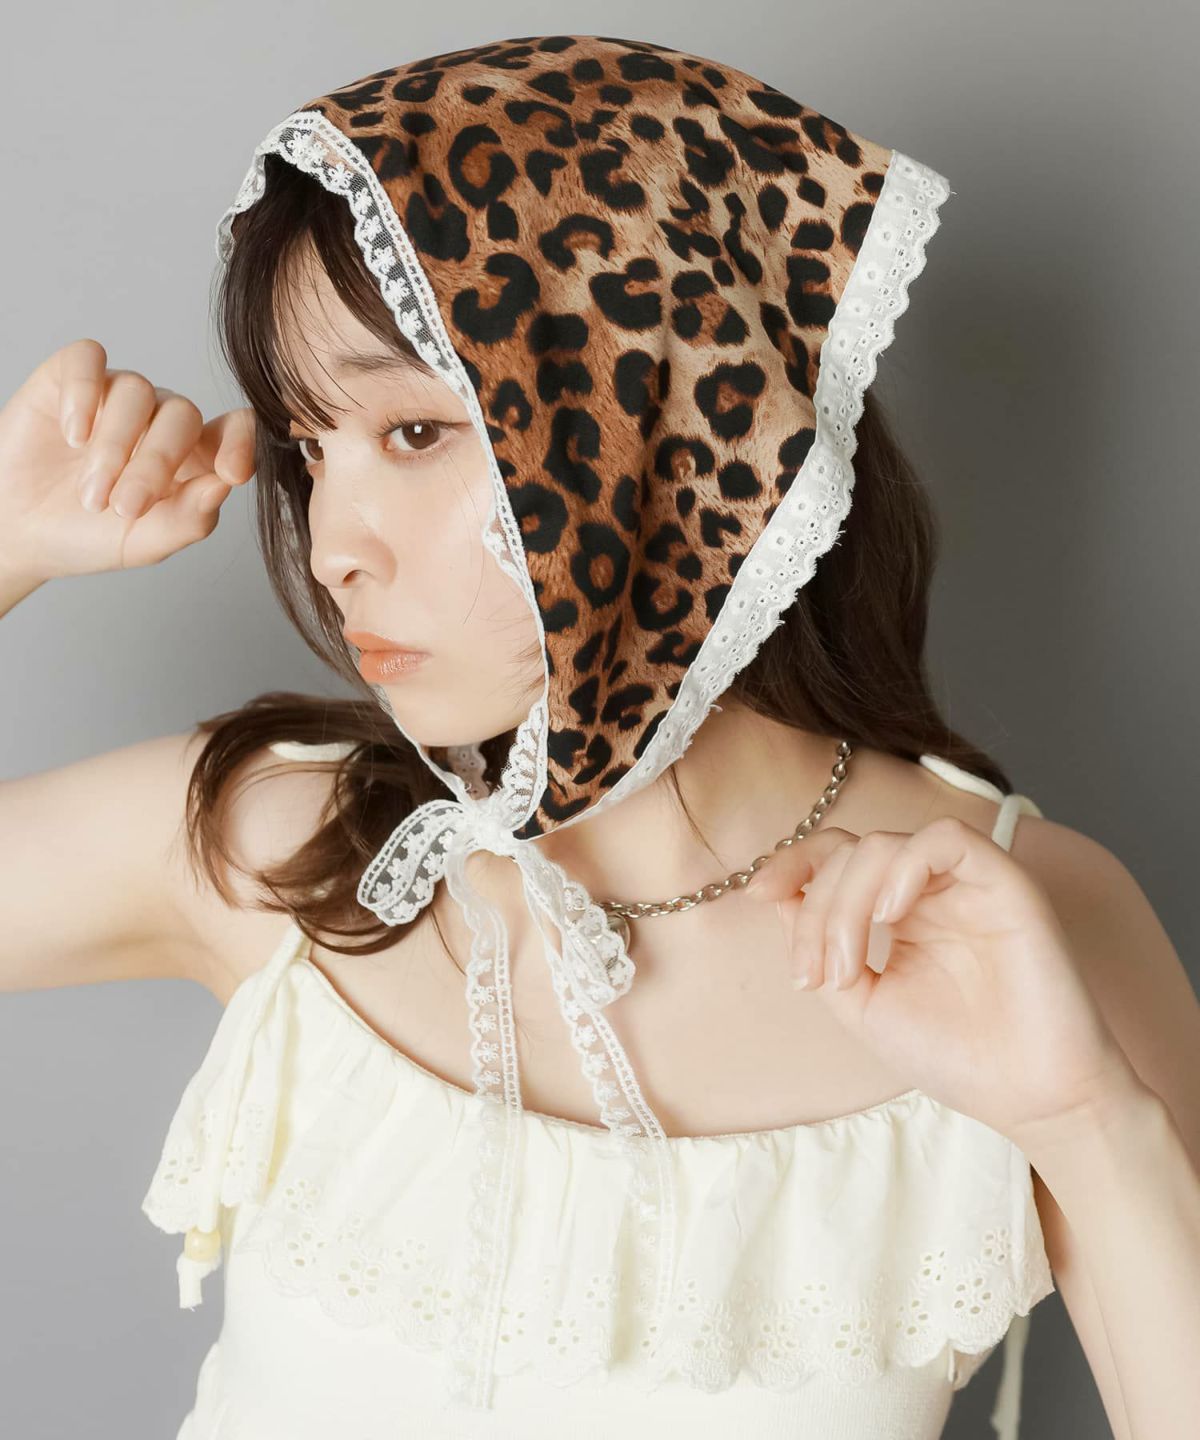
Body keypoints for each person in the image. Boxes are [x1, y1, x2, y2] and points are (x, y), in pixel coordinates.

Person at [2, 31, 1198, 1440]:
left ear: (654, 417)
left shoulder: (1011, 920)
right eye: (312, 449)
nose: (333, 548)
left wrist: (1092, 1130)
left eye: (414, 434)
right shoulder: (278, 845)